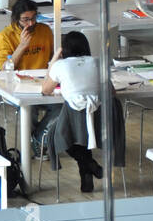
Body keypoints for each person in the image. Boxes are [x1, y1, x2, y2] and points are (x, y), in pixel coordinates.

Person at [39, 31, 109, 193]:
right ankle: (88, 172)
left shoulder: (61, 65)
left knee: (57, 136)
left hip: (74, 117)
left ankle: (91, 166)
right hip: (100, 120)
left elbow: (46, 89)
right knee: (80, 134)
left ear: (64, 50)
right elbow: (110, 91)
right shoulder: (98, 62)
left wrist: (55, 58)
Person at [0, 0, 54, 70]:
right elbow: (5, 69)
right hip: (18, 79)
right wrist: (22, 46)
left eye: (33, 18)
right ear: (16, 19)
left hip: (43, 77)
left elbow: (53, 56)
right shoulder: (5, 36)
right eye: (25, 20)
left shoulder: (45, 30)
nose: (31, 23)